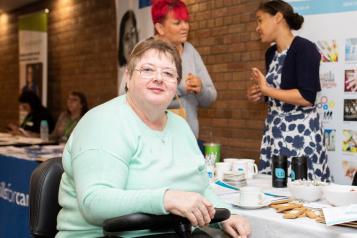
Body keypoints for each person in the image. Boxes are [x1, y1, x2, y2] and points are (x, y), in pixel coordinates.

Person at [56, 39, 250, 238]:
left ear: (176, 85)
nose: (159, 78)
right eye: (147, 70)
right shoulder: (103, 123)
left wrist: (227, 215)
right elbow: (94, 202)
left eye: (168, 73)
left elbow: (200, 189)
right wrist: (166, 199)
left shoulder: (180, 127)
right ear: (128, 77)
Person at [247, 0, 330, 181]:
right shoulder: (270, 53)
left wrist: (267, 91)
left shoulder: (305, 49)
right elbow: (277, 95)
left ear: (278, 18)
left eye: (260, 20)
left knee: (303, 196)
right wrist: (260, 94)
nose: (257, 27)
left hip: (301, 135)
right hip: (275, 133)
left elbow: (306, 97)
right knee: (275, 192)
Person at [120, 0, 217, 140]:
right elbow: (125, 92)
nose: (185, 27)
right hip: (151, 139)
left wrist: (201, 88)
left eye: (186, 21)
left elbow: (211, 97)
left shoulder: (191, 51)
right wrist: (180, 87)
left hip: (187, 140)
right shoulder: (144, 50)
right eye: (177, 23)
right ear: (160, 27)